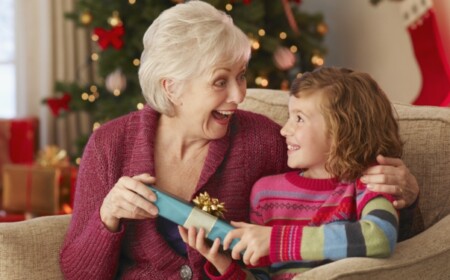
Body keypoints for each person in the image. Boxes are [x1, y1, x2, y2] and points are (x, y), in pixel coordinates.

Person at [60, 1, 419, 279]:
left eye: (242, 76)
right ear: (172, 86)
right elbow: (77, 273)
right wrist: (106, 219)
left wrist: (406, 195)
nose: (238, 95)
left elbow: (340, 192)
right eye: (220, 82)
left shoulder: (263, 140)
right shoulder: (110, 145)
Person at [179, 67, 407, 279]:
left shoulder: (371, 181)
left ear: (342, 130)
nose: (284, 130)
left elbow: (380, 237)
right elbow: (260, 276)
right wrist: (223, 263)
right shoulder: (266, 194)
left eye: (299, 118)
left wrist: (276, 240)